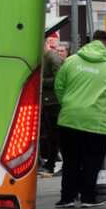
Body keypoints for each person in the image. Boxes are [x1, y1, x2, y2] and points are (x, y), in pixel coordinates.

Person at [54, 30, 106, 208]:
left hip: (69, 119)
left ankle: (67, 198)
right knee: (91, 160)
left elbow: (59, 86)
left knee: (71, 159)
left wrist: (69, 104)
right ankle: (88, 197)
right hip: (97, 122)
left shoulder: (71, 61)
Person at [40, 41, 64, 175]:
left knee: (56, 136)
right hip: (49, 102)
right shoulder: (46, 57)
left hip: (54, 102)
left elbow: (58, 79)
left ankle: (52, 164)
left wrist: (41, 81)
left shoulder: (52, 57)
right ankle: (50, 163)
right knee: (52, 136)